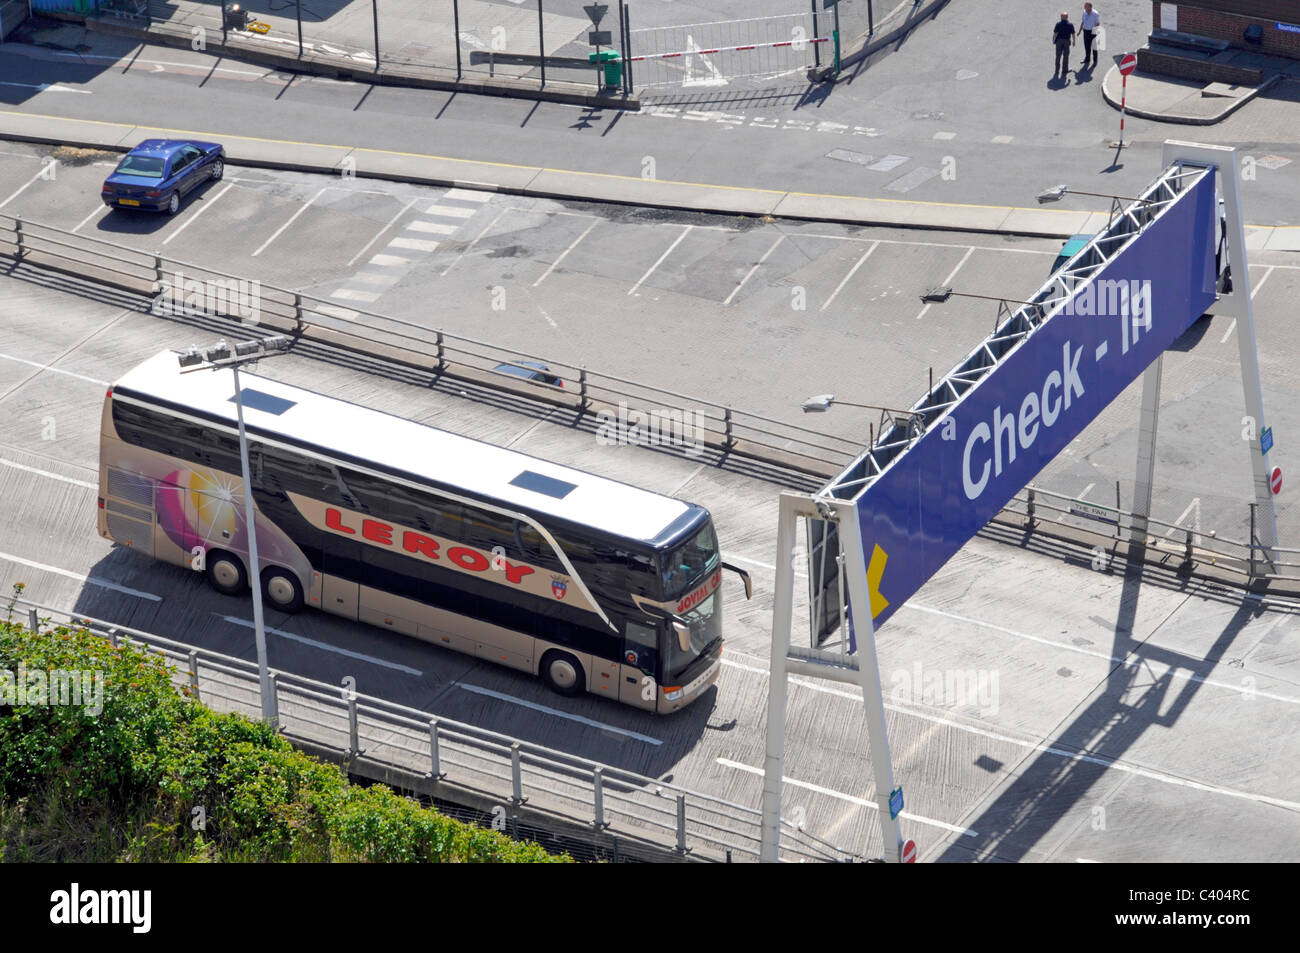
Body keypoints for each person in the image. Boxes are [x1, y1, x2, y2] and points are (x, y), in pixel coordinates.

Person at [1053, 12, 1076, 78]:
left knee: (1058, 56)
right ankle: (1064, 70)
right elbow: (1073, 34)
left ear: (1061, 17)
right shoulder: (1070, 25)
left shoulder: (1058, 24)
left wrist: (1054, 40)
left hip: (1059, 41)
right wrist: (1074, 41)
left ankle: (1057, 70)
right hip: (1066, 42)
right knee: (1066, 56)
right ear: (1067, 17)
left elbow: (1055, 33)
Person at [1080, 3, 1101, 69]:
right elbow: (1083, 21)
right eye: (1084, 7)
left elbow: (1097, 24)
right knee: (1087, 46)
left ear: (1090, 7)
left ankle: (1095, 61)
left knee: (1094, 48)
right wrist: (1080, 31)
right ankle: (1087, 59)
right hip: (1085, 31)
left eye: (1086, 7)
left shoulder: (1095, 14)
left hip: (1093, 32)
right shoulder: (1084, 12)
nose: (1084, 8)